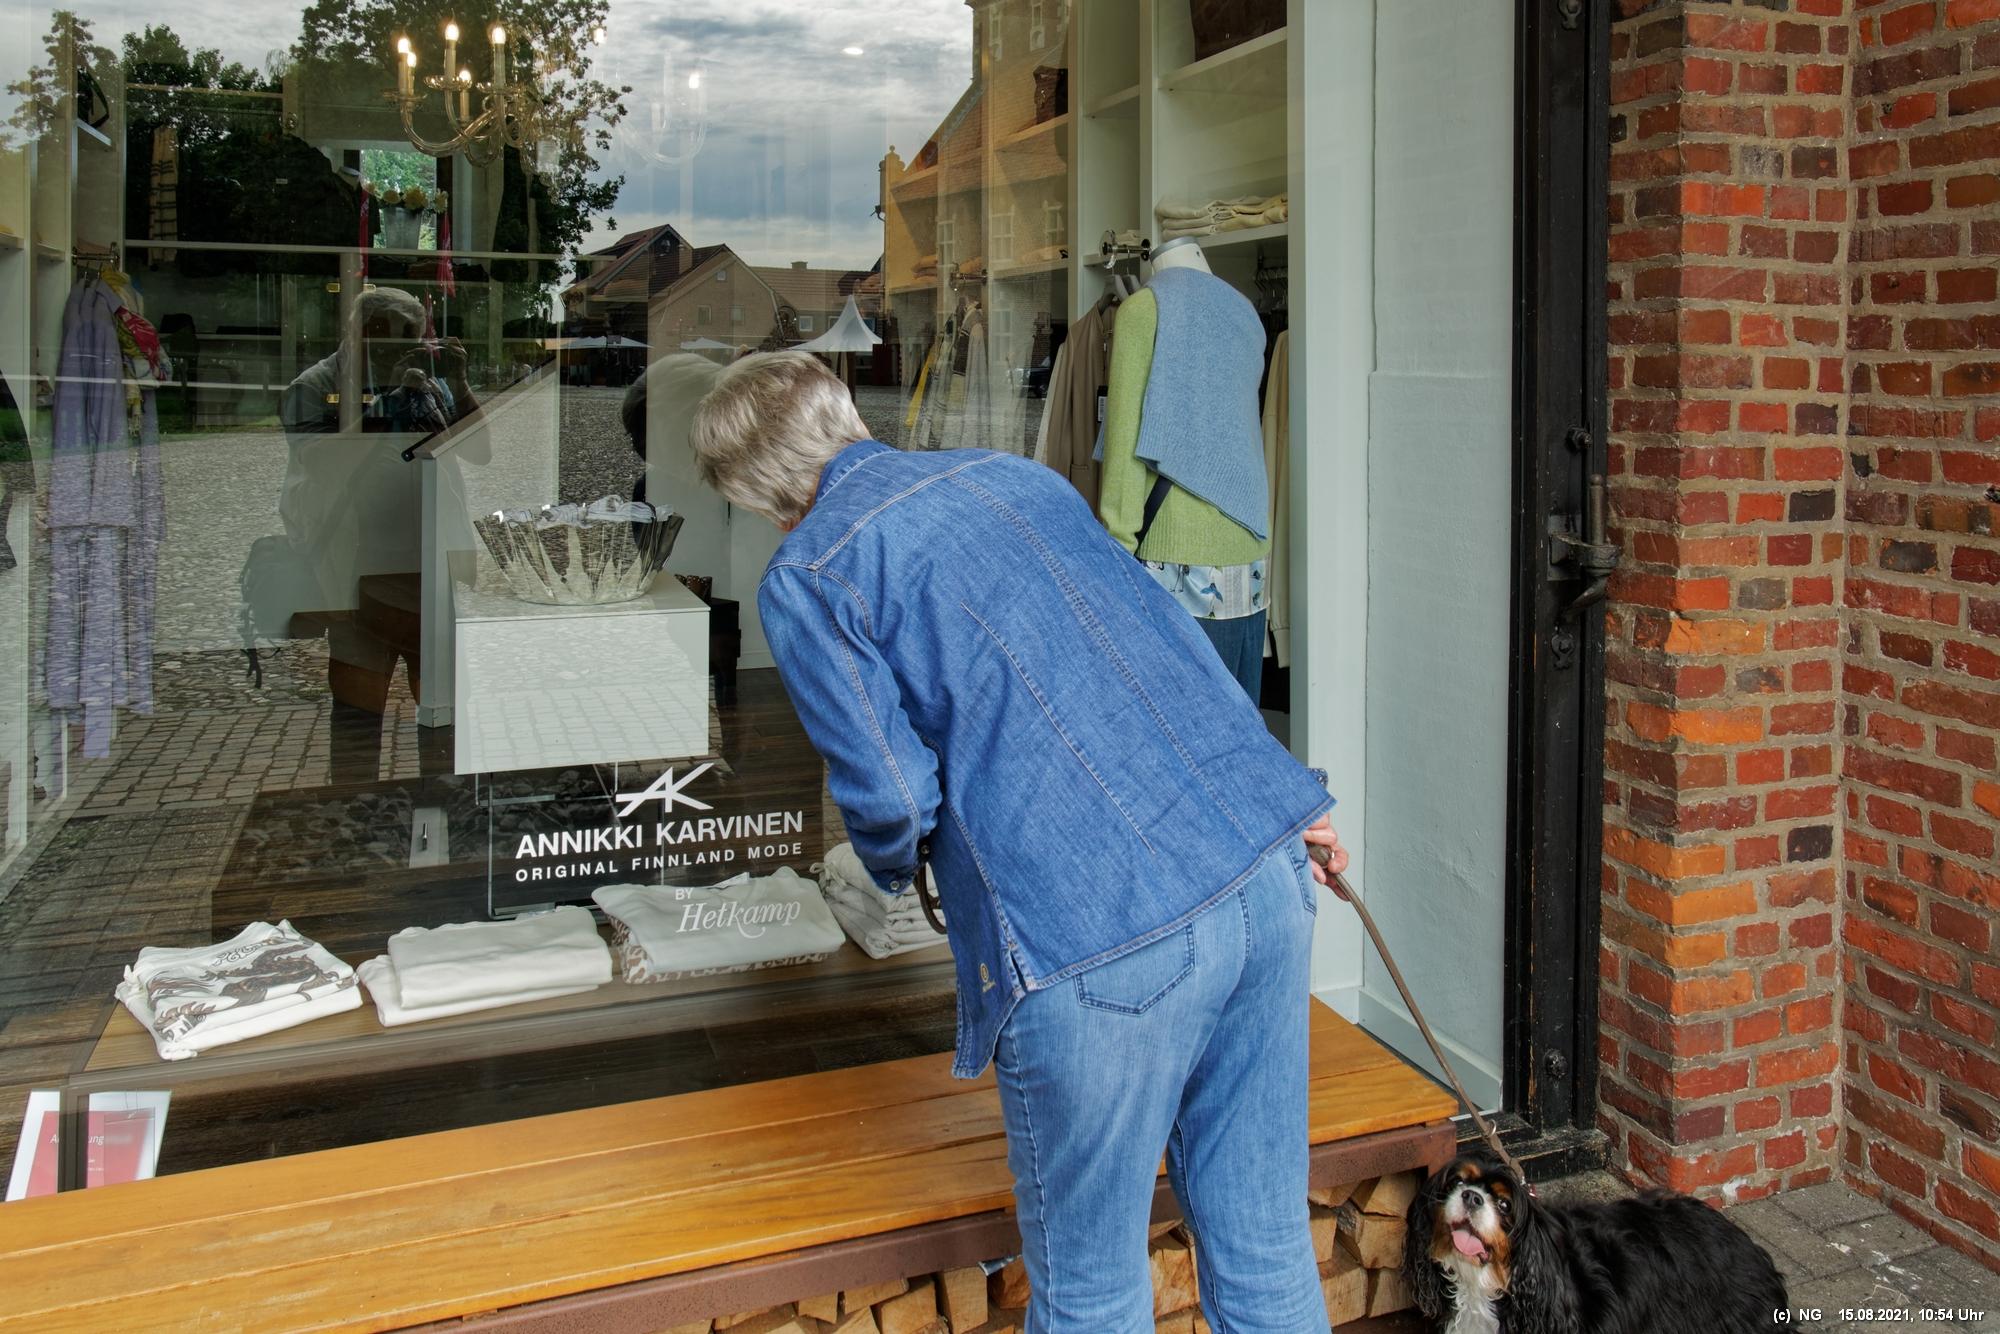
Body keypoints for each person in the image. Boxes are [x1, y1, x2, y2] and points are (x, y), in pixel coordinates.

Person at [689, 352, 1351, 1334]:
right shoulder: (1013, 476)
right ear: (843, 412)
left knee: (1090, 1291)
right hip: (1258, 869)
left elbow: (889, 792)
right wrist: (1284, 797)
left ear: (753, 488)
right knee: (1264, 1249)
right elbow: (1172, 641)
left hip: (1095, 936)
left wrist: (884, 873)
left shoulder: (810, 571)